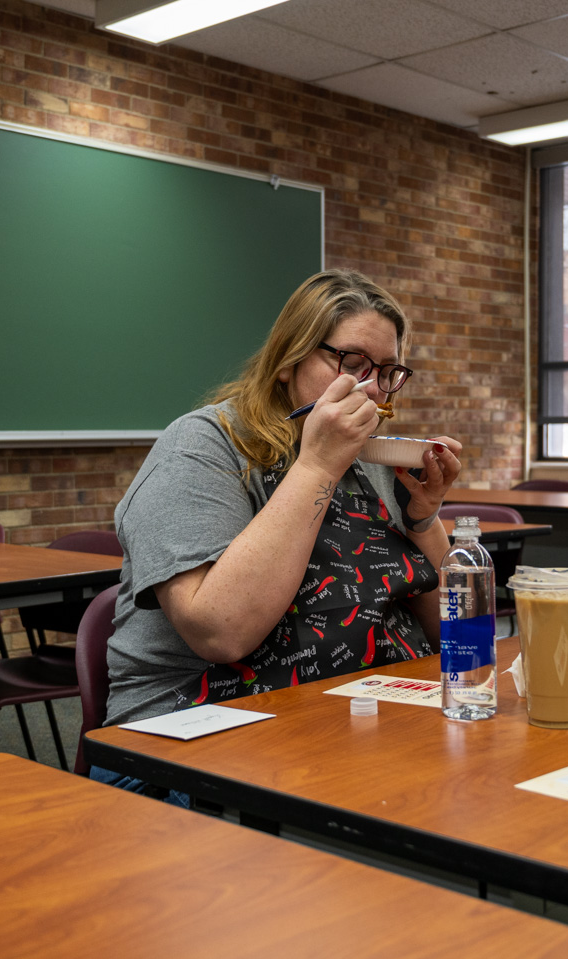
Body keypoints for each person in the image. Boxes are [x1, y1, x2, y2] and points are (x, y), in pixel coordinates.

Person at [95, 270, 462, 792]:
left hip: (362, 718)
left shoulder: (376, 459)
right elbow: (220, 631)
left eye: (386, 372)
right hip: (199, 732)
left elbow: (455, 638)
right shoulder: (204, 447)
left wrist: (424, 519)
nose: (373, 390)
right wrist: (316, 468)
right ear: (290, 360)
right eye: (352, 363)